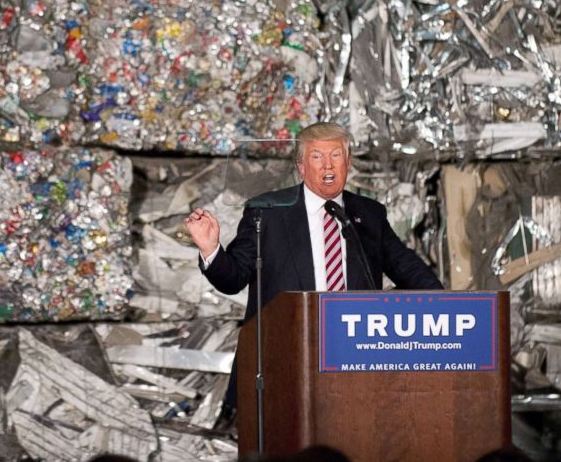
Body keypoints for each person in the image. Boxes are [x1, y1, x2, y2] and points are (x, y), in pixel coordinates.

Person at [184, 122, 443, 413]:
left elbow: (410, 271)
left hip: (354, 361)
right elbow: (233, 277)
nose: (328, 165)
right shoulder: (267, 212)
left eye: (335, 156)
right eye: (317, 157)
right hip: (285, 363)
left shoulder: (368, 214)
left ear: (348, 163)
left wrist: (434, 308)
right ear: (302, 167)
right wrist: (210, 249)